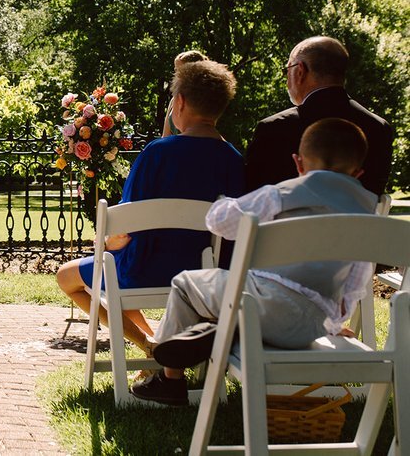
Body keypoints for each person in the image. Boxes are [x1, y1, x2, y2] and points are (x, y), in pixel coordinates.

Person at [131, 118, 378, 406]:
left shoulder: (281, 195)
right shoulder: (368, 214)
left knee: (186, 283)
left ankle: (170, 379)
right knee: (240, 302)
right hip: (310, 326)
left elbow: (219, 222)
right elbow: (356, 282)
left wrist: (224, 203)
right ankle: (218, 330)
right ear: (358, 173)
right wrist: (334, 324)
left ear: (298, 164)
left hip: (257, 306)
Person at [55, 61, 245, 354]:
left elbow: (125, 228)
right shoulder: (234, 160)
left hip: (144, 271)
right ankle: (162, 344)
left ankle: (148, 345)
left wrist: (105, 242)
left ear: (179, 102)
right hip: (208, 275)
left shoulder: (157, 153)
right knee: (113, 268)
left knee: (68, 276)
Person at [245, 36, 393, 195]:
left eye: (287, 71)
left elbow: (252, 195)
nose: (287, 80)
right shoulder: (379, 128)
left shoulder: (274, 129)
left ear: (300, 71)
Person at [161, 50, 208, 136]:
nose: (176, 75)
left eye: (180, 70)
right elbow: (165, 136)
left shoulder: (204, 100)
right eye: (176, 70)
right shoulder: (174, 100)